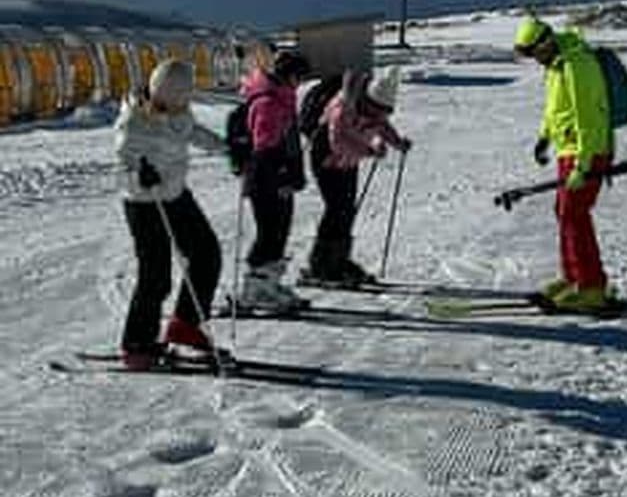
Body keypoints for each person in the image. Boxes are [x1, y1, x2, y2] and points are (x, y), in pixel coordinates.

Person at [114, 58, 226, 368]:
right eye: (182, 96)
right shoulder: (133, 123)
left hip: (175, 194)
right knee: (156, 275)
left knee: (207, 254)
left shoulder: (178, 112)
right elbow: (122, 168)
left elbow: (191, 132)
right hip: (145, 202)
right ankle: (136, 344)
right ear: (165, 92)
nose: (185, 102)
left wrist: (228, 148)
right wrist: (139, 176)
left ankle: (185, 325)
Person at [514, 12, 613, 312]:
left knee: (574, 213)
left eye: (534, 53)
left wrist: (583, 164)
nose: (535, 60)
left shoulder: (576, 64)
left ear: (545, 42)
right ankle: (573, 278)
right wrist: (544, 137)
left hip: (587, 150)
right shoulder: (556, 65)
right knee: (564, 212)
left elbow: (587, 117)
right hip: (568, 149)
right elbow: (556, 108)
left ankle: (591, 288)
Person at [305, 66, 411, 287]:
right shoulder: (343, 108)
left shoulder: (373, 110)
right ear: (368, 100)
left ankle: (338, 260)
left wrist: (397, 142)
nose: (380, 116)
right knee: (336, 210)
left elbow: (382, 126)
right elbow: (338, 141)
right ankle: (321, 265)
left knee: (346, 211)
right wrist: (369, 151)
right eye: (377, 110)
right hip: (327, 161)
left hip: (348, 161)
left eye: (385, 112)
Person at [238, 46, 311, 311]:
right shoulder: (268, 102)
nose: (301, 82)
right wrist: (282, 177)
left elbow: (289, 143)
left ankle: (268, 284)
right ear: (288, 75)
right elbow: (264, 149)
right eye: (299, 76)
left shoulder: (283, 97)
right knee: (269, 233)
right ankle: (254, 289)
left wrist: (293, 174)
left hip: (278, 179)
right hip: (266, 180)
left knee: (279, 232)